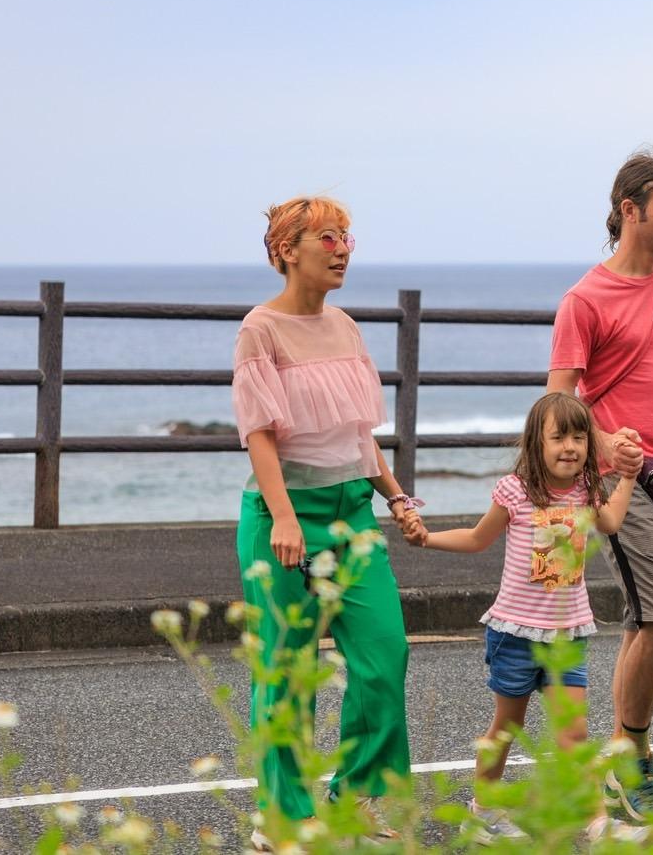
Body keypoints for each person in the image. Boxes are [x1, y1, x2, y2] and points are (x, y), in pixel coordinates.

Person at [231, 196, 421, 850]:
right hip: (284, 518)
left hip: (352, 515)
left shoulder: (346, 327)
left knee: (383, 654)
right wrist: (283, 516)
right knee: (286, 668)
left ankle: (356, 796)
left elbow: (357, 434)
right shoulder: (261, 329)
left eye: (347, 237)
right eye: (328, 237)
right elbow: (258, 432)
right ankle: (281, 818)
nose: (343, 248)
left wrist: (396, 498)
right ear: (288, 250)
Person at [546, 146, 653, 822]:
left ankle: (621, 757)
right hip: (621, 483)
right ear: (629, 211)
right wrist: (601, 441)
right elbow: (558, 402)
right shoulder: (585, 299)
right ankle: (630, 755)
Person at [402, 392, 638, 842]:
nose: (570, 446)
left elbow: (609, 523)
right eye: (558, 437)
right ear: (536, 443)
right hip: (515, 632)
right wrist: (427, 540)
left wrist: (626, 477)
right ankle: (484, 807)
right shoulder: (515, 490)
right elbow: (476, 538)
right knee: (507, 728)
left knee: (574, 732)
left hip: (568, 632)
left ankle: (596, 821)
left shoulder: (587, 490)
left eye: (579, 437)